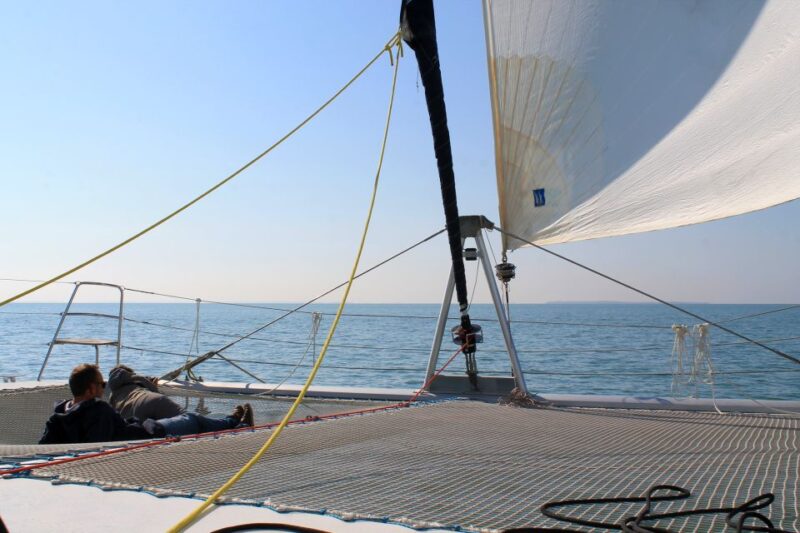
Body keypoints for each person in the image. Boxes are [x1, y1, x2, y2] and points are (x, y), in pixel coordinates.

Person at [39, 364, 253, 444]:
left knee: (192, 420)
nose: (104, 388)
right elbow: (100, 444)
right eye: (100, 383)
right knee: (191, 419)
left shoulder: (58, 416)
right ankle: (236, 423)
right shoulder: (98, 409)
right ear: (90, 389)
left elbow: (43, 447)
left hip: (142, 428)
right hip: (149, 433)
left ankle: (233, 421)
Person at [108, 364, 183, 420]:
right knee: (188, 418)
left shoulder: (113, 395)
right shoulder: (139, 379)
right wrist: (151, 385)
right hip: (154, 399)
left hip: (136, 411)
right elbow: (155, 393)